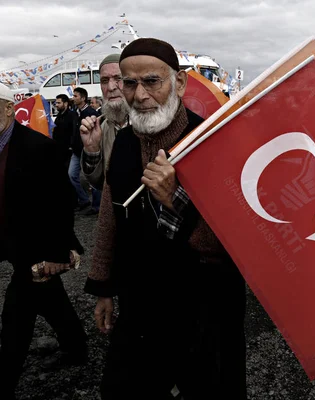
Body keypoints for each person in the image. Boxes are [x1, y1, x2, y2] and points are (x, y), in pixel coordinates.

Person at [83, 38, 246, 400]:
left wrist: (174, 200)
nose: (139, 94)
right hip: (140, 300)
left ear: (181, 83)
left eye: (152, 81)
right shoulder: (124, 142)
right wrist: (104, 287)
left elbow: (234, 242)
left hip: (204, 303)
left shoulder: (212, 142)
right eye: (129, 83)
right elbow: (111, 215)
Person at [0, 80, 87, 400]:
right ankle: (77, 349)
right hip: (13, 245)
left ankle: (0, 383)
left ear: (8, 108)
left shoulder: (38, 147)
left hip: (37, 250)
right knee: (54, 303)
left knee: (16, 319)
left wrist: (58, 254)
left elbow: (61, 204)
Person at [80, 53, 129, 190]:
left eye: (118, 78)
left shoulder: (149, 122)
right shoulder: (101, 127)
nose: (111, 87)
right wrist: (92, 149)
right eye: (104, 81)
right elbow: (99, 183)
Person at [70, 87, 98, 212]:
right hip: (76, 152)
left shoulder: (91, 113)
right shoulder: (76, 112)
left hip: (88, 151)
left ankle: (97, 206)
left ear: (83, 98)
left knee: (93, 178)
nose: (73, 98)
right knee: (71, 175)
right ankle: (84, 199)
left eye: (75, 96)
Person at [52, 94, 76, 169]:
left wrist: (71, 146)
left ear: (65, 103)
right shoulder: (58, 116)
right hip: (58, 149)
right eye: (56, 103)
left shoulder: (72, 115)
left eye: (59, 103)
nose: (56, 105)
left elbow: (74, 131)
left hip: (68, 151)